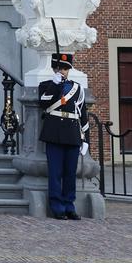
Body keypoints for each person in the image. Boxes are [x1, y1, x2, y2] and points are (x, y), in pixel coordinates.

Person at [39, 53, 89, 220]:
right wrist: (54, 85)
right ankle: (57, 207)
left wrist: (85, 139)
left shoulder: (77, 88)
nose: (63, 71)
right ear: (54, 69)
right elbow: (43, 103)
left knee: (70, 173)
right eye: (60, 68)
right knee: (55, 173)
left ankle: (69, 206)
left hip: (72, 134)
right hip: (54, 132)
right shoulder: (46, 85)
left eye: (66, 69)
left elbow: (83, 114)